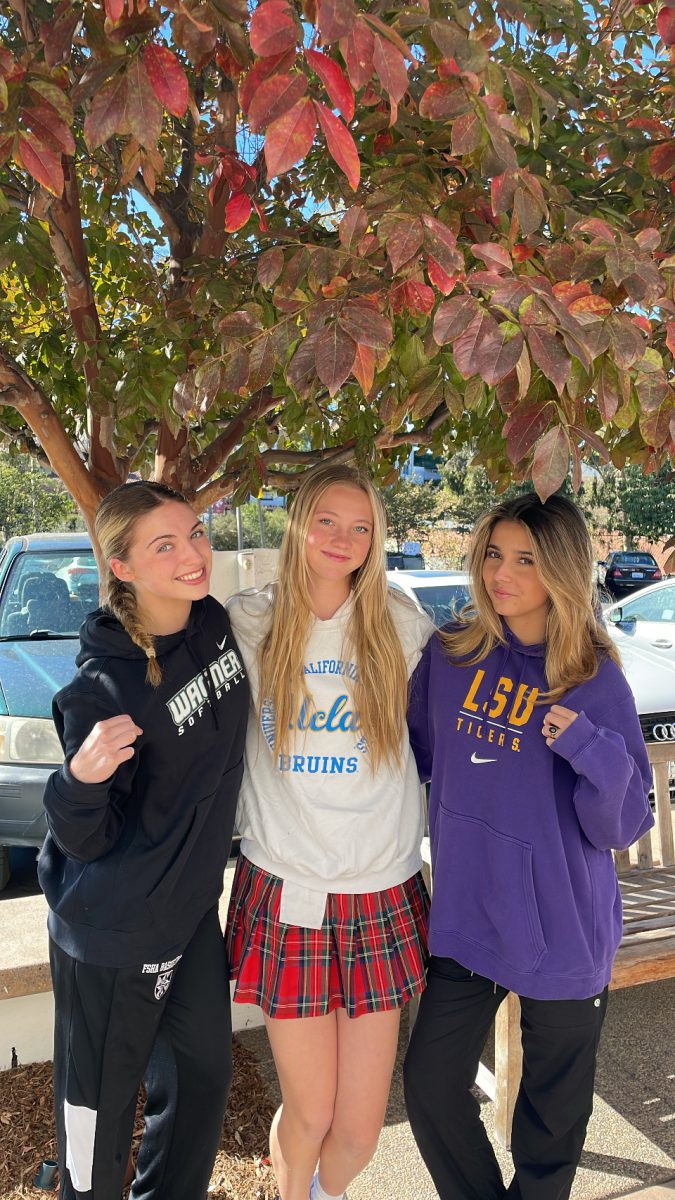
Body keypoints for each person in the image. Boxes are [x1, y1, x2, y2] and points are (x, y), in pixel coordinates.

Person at [403, 492, 654, 1200]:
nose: (500, 574)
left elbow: (620, 824)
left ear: (561, 572)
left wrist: (586, 745)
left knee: (550, 1128)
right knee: (429, 1085)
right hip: (467, 916)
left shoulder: (591, 676)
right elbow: (416, 759)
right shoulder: (449, 656)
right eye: (492, 554)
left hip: (562, 927)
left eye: (524, 560)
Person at [225, 463, 433, 1200]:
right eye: (326, 521)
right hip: (288, 890)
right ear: (297, 525)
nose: (342, 539)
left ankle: (325, 1191)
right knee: (309, 1112)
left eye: (361, 527)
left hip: (379, 890)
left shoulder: (402, 625)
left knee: (358, 1131)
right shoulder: (250, 621)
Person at [38, 481, 249, 1200]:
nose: (193, 555)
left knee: (201, 1079)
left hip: (187, 912)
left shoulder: (211, 622)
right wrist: (78, 779)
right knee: (97, 1116)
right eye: (165, 545)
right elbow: (82, 839)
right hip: (113, 934)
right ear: (120, 565)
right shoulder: (102, 689)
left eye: (195, 532)